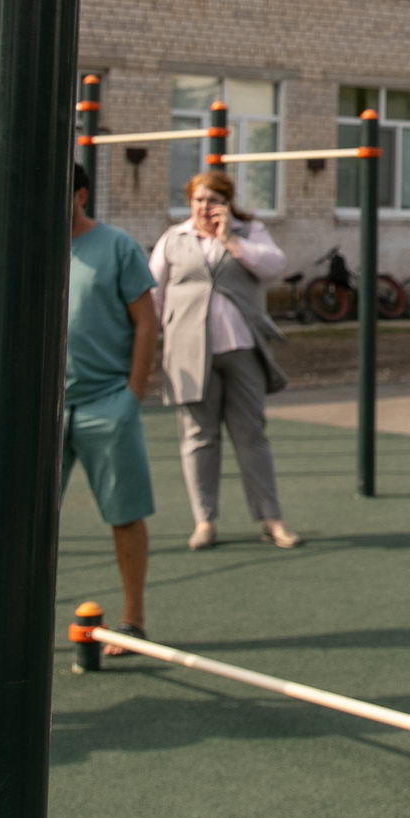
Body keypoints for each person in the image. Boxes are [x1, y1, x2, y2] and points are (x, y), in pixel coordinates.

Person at [150, 169, 296, 551]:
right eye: (199, 199)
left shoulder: (250, 233)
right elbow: (154, 295)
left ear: (228, 203)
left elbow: (273, 266)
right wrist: (155, 338)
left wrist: (230, 239)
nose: (205, 207)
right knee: (199, 438)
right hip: (188, 353)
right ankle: (204, 520)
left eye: (214, 200)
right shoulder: (173, 239)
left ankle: (270, 519)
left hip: (240, 348)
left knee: (251, 435)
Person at [65, 163, 158, 644]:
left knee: (125, 512)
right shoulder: (30, 244)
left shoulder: (116, 246)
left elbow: (146, 321)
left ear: (80, 195)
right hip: (47, 408)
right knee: (26, 521)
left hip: (106, 400)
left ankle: (133, 618)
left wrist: (132, 392)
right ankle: (19, 618)